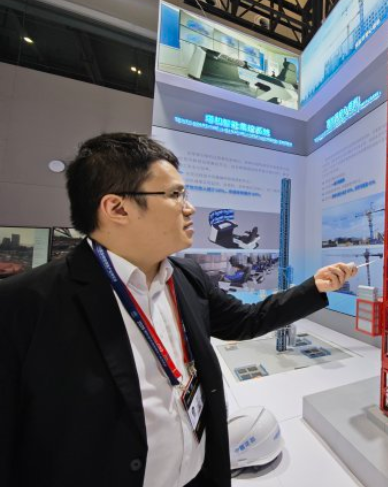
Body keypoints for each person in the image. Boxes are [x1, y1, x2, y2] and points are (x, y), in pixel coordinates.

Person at [0, 133, 357, 487]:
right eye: (174, 195)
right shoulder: (25, 306)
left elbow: (246, 321)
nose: (189, 208)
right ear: (117, 208)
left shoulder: (186, 276)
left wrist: (315, 288)